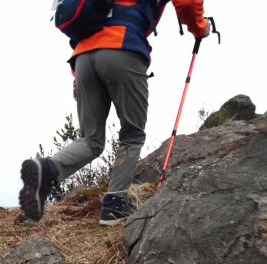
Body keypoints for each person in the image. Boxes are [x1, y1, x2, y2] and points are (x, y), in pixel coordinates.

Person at [19, 0, 210, 225]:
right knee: (132, 135)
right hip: (123, 48)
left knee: (90, 139)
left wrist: (77, 78)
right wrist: (200, 27)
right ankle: (115, 205)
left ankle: (48, 169)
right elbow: (187, 2)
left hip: (83, 59)